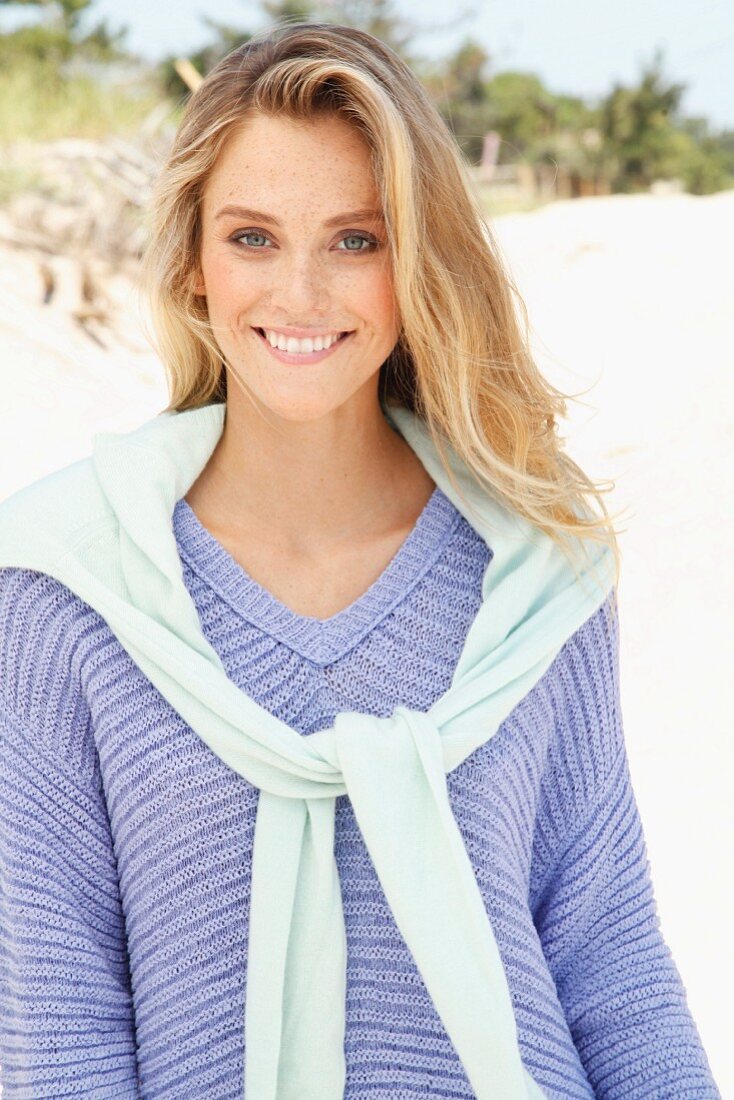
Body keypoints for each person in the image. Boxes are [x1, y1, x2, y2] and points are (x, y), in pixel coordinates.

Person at [0, 20, 720, 1100]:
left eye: (354, 239)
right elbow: (55, 1022)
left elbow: (607, 958)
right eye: (251, 237)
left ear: (416, 259)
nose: (298, 294)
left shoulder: (534, 566)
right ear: (194, 262)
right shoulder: (63, 587)